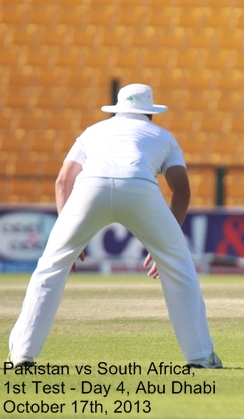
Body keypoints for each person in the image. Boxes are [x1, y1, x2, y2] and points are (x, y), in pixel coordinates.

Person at [7, 83, 221, 369]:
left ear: (117, 110)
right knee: (179, 267)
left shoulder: (92, 132)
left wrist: (68, 236)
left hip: (89, 188)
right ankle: (200, 357)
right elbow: (181, 189)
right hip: (140, 187)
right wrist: (167, 246)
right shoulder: (163, 137)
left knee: (51, 266)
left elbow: (63, 181)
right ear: (151, 114)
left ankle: (22, 354)